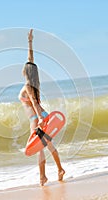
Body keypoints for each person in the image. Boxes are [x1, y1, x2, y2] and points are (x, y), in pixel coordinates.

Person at [19, 29, 65, 186]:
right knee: (48, 144)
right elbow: (30, 60)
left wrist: (39, 118)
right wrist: (30, 42)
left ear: (25, 71)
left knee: (40, 148)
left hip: (36, 118)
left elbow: (34, 102)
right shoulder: (33, 82)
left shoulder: (27, 86)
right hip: (41, 116)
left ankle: (42, 177)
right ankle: (59, 169)